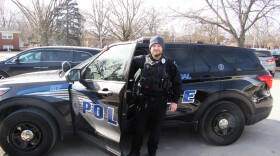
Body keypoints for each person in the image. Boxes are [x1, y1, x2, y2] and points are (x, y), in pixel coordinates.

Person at [128, 36, 182, 156]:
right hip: (143, 102)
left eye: (159, 46)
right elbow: (125, 60)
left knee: (156, 132)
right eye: (154, 46)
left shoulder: (169, 63)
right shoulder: (142, 60)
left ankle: (152, 152)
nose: (156, 48)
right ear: (150, 48)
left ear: (162, 48)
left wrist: (174, 101)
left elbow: (177, 83)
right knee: (139, 129)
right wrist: (107, 49)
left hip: (160, 103)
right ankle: (134, 152)